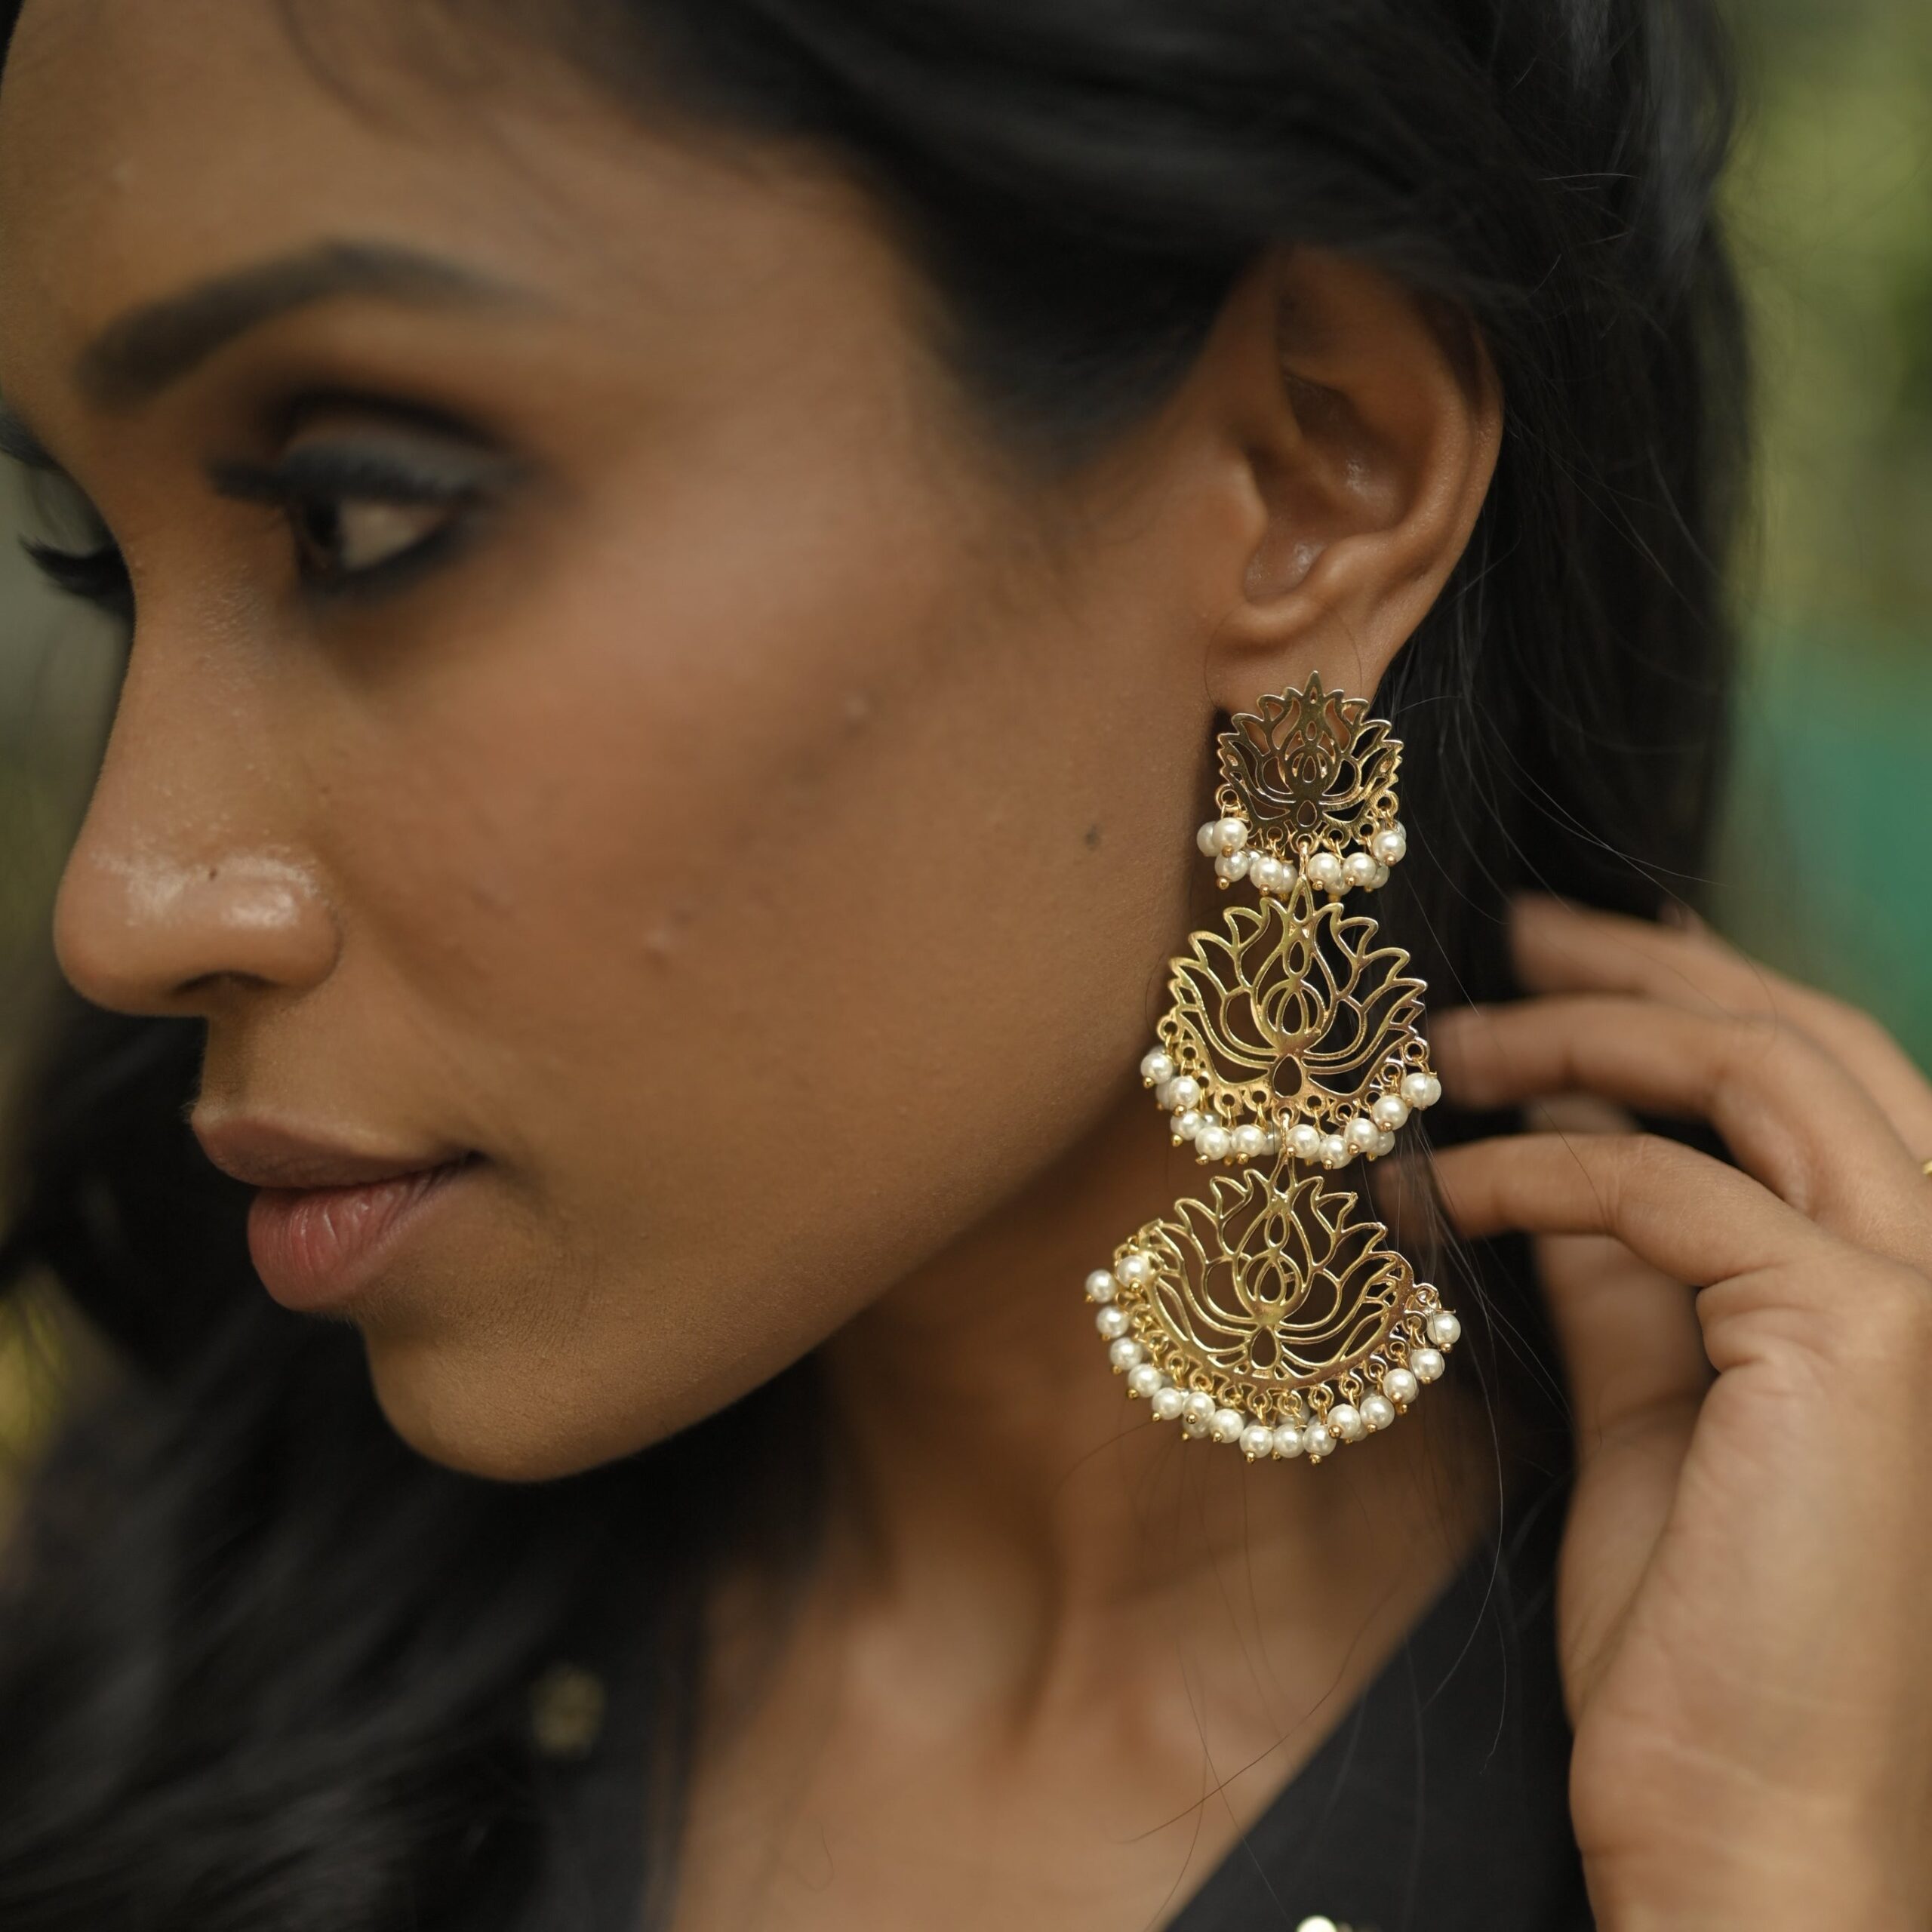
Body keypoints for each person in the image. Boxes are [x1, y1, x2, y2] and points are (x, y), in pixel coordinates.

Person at [0, 2, 1928, 1927]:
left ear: (1310, 466)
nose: (121, 903)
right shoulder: (153, 1645)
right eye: (100, 566)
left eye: (356, 518)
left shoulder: (1778, 1745)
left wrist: (1774, 1871)